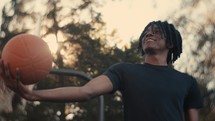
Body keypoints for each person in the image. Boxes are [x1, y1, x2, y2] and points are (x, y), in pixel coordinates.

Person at [0, 20, 203, 121]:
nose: (150, 33)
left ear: (172, 43)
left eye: (157, 31)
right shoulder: (124, 71)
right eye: (147, 32)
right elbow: (84, 91)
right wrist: (31, 94)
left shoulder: (187, 82)